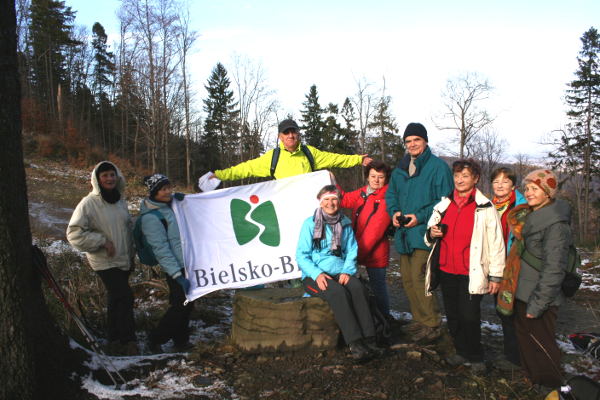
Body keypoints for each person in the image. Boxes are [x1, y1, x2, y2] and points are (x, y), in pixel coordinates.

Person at [425, 159, 505, 373]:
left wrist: (496, 276)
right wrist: (431, 233)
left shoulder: (485, 207)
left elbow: (497, 244)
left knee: (469, 315)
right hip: (446, 269)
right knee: (452, 314)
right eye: (457, 175)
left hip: (472, 272)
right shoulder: (444, 204)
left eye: (465, 176)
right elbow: (429, 234)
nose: (460, 180)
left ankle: (476, 356)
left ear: (475, 179)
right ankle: (461, 351)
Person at [497, 169, 572, 390]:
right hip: (522, 291)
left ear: (548, 193)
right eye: (527, 188)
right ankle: (533, 378)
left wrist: (539, 303)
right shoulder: (530, 216)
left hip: (540, 297)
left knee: (542, 343)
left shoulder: (556, 225)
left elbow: (554, 269)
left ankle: (551, 385)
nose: (529, 193)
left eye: (535, 189)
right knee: (525, 339)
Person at [385, 122, 453, 342]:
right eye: (408, 141)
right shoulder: (400, 169)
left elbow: (444, 200)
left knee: (421, 278)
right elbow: (391, 195)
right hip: (404, 234)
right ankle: (419, 320)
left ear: (425, 141)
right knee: (407, 280)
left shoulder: (437, 167)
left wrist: (420, 217)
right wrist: (394, 212)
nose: (412, 144)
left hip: (425, 233)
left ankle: (432, 323)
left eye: (416, 140)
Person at [296, 185, 380, 361]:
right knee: (337, 293)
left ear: (339, 201)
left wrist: (347, 271)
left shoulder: (345, 223)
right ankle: (355, 343)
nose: (330, 203)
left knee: (358, 288)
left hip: (340, 270)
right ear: (320, 202)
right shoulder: (310, 223)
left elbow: (351, 250)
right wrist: (317, 274)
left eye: (334, 199)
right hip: (315, 274)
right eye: (326, 199)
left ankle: (370, 339)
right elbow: (301, 255)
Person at [67, 161, 136, 355]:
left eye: (112, 175)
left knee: (116, 300)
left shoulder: (120, 199)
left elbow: (125, 229)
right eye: (105, 175)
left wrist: (132, 254)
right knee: (125, 297)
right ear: (97, 179)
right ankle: (128, 341)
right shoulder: (89, 203)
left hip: (123, 259)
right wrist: (101, 241)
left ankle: (114, 341)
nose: (109, 178)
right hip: (105, 261)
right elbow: (74, 234)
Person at [210, 119, 372, 182]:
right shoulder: (273, 157)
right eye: (286, 132)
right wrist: (220, 174)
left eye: (293, 131)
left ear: (298, 134)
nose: (291, 135)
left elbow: (334, 159)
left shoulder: (309, 153)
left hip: (310, 208)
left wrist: (358, 159)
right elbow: (246, 168)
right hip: (285, 209)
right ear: (280, 136)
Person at [140, 174, 194, 353]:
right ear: (154, 192)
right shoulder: (151, 218)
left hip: (187, 263)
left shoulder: (171, 205)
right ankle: (156, 338)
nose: (168, 191)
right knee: (180, 304)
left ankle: (181, 340)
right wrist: (177, 275)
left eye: (169, 187)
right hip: (175, 268)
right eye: (163, 189)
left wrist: (184, 200)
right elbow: (161, 250)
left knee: (188, 303)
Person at [335, 160, 392, 317]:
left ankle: (385, 320)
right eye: (373, 176)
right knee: (363, 287)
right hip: (358, 248)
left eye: (380, 177)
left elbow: (372, 235)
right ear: (367, 176)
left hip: (375, 253)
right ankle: (373, 318)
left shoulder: (386, 199)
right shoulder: (363, 192)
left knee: (378, 287)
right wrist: (333, 181)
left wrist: (352, 258)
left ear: (386, 178)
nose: (376, 180)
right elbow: (345, 199)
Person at [490, 167, 527, 370]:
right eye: (496, 181)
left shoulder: (521, 205)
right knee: (501, 309)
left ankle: (516, 357)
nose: (500, 185)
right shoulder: (489, 205)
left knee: (512, 311)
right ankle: (511, 352)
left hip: (513, 266)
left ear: (513, 184)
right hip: (494, 265)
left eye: (505, 181)